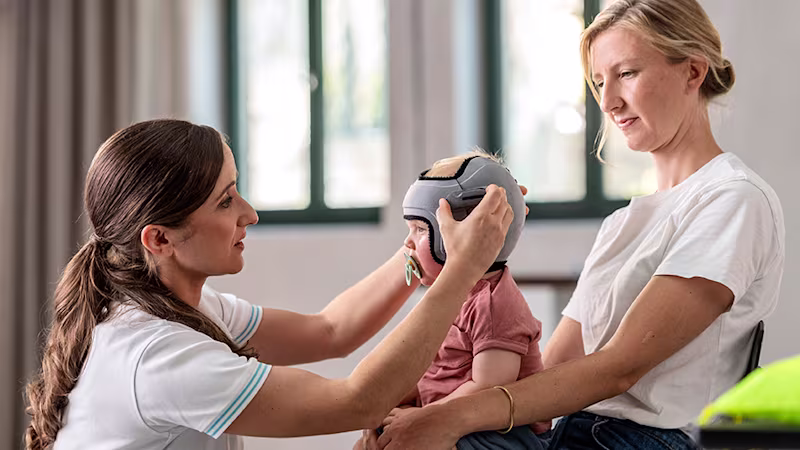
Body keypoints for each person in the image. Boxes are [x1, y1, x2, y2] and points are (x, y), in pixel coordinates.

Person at [364, 0, 785, 449]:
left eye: (626, 74)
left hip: (645, 440)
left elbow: (619, 367)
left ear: (693, 72)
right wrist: (416, 410)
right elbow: (552, 369)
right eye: (600, 82)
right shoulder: (624, 222)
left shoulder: (732, 199)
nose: (607, 102)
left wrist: (449, 418)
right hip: (577, 432)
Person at [24, 119, 515, 450]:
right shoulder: (157, 354)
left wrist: (424, 242)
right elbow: (357, 401)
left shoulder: (179, 308)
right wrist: (462, 270)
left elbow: (330, 331)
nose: (249, 214)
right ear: (159, 238)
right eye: (224, 201)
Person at [381, 151, 550, 449]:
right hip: (455, 418)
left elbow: (488, 389)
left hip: (500, 435)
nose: (407, 242)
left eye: (420, 229)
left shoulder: (495, 304)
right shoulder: (451, 297)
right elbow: (431, 372)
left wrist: (424, 418)